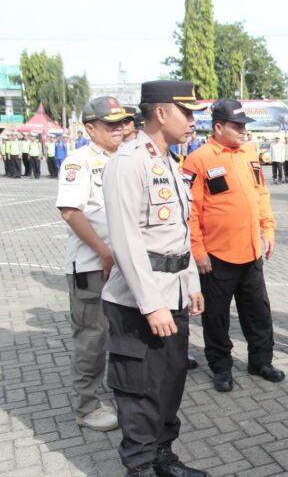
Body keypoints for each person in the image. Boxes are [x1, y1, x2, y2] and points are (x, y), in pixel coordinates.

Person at [100, 81, 208, 477]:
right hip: (138, 303)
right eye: (188, 112)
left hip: (173, 293)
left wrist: (192, 284)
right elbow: (127, 242)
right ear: (162, 113)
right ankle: (140, 466)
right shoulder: (129, 162)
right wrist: (152, 304)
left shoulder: (168, 162)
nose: (194, 121)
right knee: (140, 392)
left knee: (169, 383)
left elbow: (178, 233)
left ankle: (162, 456)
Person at [183, 99, 284, 392]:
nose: (243, 131)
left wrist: (268, 228)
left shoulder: (250, 154)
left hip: (251, 251)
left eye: (244, 126)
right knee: (216, 317)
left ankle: (261, 361)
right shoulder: (198, 160)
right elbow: (190, 212)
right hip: (217, 256)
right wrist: (198, 251)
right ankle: (221, 368)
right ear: (218, 127)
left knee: (258, 312)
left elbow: (261, 194)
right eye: (237, 126)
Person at [56, 96, 129, 433]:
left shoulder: (127, 158)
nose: (119, 128)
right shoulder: (79, 161)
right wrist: (104, 252)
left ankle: (121, 393)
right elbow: (71, 211)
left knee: (122, 334)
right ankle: (86, 406)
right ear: (90, 128)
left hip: (123, 266)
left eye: (121, 122)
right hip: (92, 267)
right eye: (109, 124)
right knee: (92, 337)